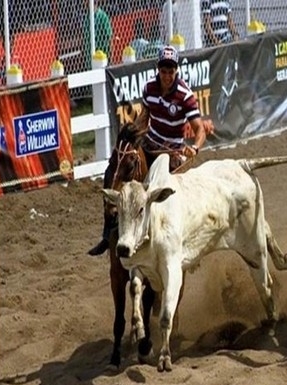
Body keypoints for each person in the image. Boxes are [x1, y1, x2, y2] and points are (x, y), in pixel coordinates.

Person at [88, 45, 207, 256]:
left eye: (171, 71)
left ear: (176, 71)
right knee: (115, 170)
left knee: (159, 192)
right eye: (164, 71)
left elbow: (200, 129)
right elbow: (145, 116)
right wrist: (136, 130)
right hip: (149, 144)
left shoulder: (185, 95)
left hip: (171, 153)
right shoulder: (149, 88)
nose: (167, 76)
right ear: (158, 70)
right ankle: (107, 234)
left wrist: (195, 148)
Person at [83, 0, 113, 70]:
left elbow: (110, 37)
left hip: (102, 58)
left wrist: (111, 58)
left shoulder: (103, 16)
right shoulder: (87, 17)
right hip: (89, 59)